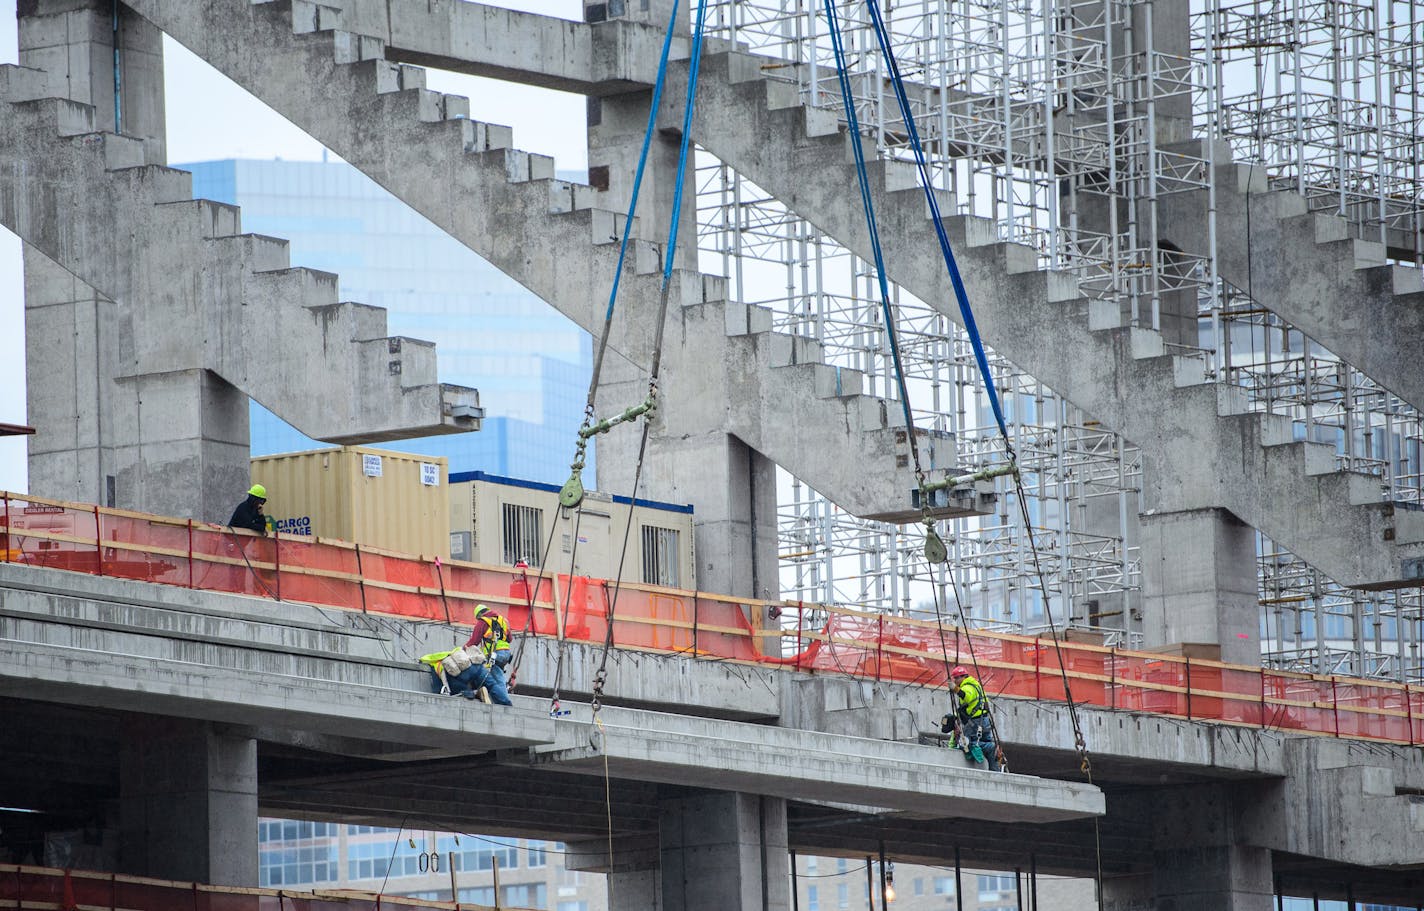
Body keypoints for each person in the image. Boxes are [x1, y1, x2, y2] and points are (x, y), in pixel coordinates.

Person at [941, 665, 996, 766]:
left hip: (974, 722)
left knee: (965, 744)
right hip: (984, 720)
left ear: (962, 677)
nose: (955, 681)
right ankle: (994, 769)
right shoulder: (976, 685)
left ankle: (989, 747)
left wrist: (955, 689)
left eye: (956, 678)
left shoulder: (967, 686)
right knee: (984, 741)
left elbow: (967, 696)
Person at [462, 604, 513, 705]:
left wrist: (463, 649)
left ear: (479, 615)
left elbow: (474, 641)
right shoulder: (503, 620)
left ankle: (505, 703)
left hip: (494, 654)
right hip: (505, 653)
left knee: (496, 678)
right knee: (498, 676)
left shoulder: (483, 622)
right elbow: (509, 639)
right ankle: (501, 700)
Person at [418, 647, 494, 700]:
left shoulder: (434, 663)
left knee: (461, 689)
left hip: (456, 676)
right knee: (491, 684)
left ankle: (474, 693)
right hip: (472, 667)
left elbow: (438, 687)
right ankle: (481, 693)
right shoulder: (452, 654)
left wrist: (438, 694)